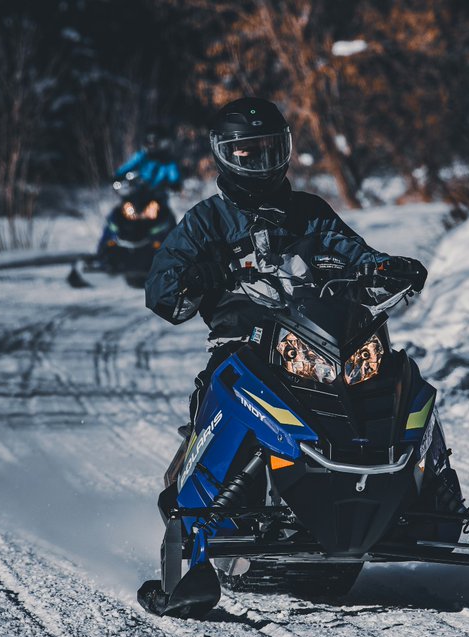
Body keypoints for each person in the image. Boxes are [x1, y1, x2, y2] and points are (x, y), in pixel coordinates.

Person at [144, 97, 427, 421]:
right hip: (244, 346)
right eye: (248, 152)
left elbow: (352, 252)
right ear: (225, 153)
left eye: (270, 149)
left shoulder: (310, 213)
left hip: (323, 343)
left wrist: (384, 269)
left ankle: (425, 469)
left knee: (400, 384)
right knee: (213, 393)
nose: (261, 161)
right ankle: (205, 464)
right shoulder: (206, 220)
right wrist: (191, 278)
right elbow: (161, 290)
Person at [114, 125, 183, 194]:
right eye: (149, 143)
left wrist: (175, 184)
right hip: (139, 191)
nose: (151, 145)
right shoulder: (142, 156)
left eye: (154, 143)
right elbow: (129, 165)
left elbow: (173, 173)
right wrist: (117, 176)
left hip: (158, 194)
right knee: (125, 204)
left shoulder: (167, 160)